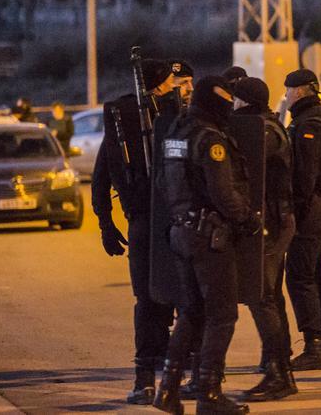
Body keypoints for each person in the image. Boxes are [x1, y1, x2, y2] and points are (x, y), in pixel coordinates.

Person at [153, 76, 259, 415]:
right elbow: (223, 193)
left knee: (191, 313)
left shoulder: (176, 135)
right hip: (209, 237)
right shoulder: (210, 139)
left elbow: (161, 183)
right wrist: (247, 217)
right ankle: (209, 394)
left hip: (181, 232)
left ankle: (167, 390)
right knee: (222, 316)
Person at [91, 58, 176, 405]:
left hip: (142, 220)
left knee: (148, 299)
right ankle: (162, 374)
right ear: (158, 83)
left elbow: (101, 178)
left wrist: (106, 222)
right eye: (170, 81)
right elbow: (103, 174)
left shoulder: (120, 121)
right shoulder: (172, 117)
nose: (175, 87)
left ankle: (147, 376)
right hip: (163, 221)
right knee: (165, 297)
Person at [232, 78, 298, 402]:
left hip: (274, 223)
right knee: (266, 296)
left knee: (263, 298)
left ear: (243, 101)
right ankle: (280, 370)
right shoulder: (267, 126)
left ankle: (279, 373)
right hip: (274, 222)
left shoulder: (265, 132)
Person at [281, 69, 321, 372]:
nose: (286, 96)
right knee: (318, 275)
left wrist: (296, 211)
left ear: (300, 92)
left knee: (301, 276)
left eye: (289, 91)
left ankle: (315, 344)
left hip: (312, 209)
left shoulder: (308, 123)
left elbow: (305, 174)